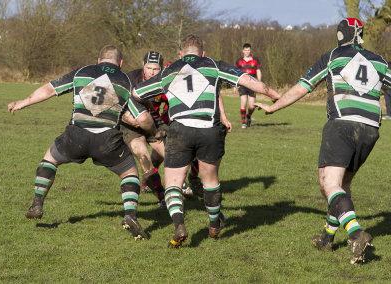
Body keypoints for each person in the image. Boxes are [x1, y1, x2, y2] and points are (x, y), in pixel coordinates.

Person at [256, 18, 391, 264]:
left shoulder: (332, 56)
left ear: (340, 35)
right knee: (341, 185)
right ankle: (327, 238)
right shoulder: (380, 61)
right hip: (371, 129)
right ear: (360, 35)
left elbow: (302, 87)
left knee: (329, 183)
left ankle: (356, 233)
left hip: (342, 125)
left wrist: (274, 107)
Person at [133, 34, 280, 248]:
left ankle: (179, 224)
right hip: (208, 130)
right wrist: (273, 94)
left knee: (173, 183)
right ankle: (213, 223)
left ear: (180, 54)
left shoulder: (169, 71)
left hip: (179, 129)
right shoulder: (213, 65)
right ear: (202, 53)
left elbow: (137, 93)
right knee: (210, 180)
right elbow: (248, 81)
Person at [7, 45, 160, 240]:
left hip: (76, 136)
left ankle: (37, 203)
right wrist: (153, 131)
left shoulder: (82, 72)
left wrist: (23, 102)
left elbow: (49, 90)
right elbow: (143, 118)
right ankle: (129, 215)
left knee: (50, 159)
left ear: (98, 60)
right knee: (129, 172)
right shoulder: (126, 81)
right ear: (121, 63)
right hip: (107, 142)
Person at [121, 51, 167, 207]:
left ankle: (182, 185)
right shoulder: (130, 78)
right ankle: (162, 198)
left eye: (156, 68)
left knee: (172, 156)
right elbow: (117, 101)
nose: (152, 72)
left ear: (161, 68)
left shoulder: (165, 80)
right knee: (144, 158)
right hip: (131, 124)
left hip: (154, 121)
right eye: (149, 68)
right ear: (143, 66)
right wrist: (125, 118)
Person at [234, 43, 262, 128]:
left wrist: (259, 83)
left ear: (250, 50)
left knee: (252, 106)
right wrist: (235, 85)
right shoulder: (239, 61)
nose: (247, 51)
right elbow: (236, 74)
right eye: (245, 50)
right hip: (242, 84)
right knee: (243, 103)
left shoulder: (256, 60)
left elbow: (258, 71)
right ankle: (243, 123)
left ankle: (248, 116)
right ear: (243, 51)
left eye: (248, 50)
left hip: (253, 84)